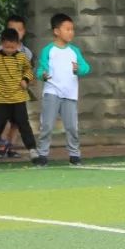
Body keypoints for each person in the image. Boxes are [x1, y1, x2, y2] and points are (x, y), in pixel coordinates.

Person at [36, 12, 91, 166]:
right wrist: (43, 75)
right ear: (56, 31)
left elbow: (86, 68)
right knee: (47, 125)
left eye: (72, 29)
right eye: (67, 29)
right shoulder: (48, 50)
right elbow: (40, 70)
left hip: (70, 94)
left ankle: (74, 154)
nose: (71, 32)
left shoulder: (74, 51)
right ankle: (42, 154)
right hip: (52, 92)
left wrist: (78, 69)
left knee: (72, 126)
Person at [0, 28, 43, 165]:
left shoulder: (22, 57)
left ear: (17, 44)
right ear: (2, 43)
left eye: (12, 47)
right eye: (6, 47)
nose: (9, 49)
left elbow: (29, 70)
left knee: (24, 125)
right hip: (1, 100)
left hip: (18, 99)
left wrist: (25, 80)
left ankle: (33, 150)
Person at [0, 14, 33, 157]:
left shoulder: (27, 52)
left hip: (19, 92)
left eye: (19, 30)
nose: (16, 33)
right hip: (4, 92)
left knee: (17, 121)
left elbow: (28, 71)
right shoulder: (0, 50)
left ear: (23, 32)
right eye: (12, 29)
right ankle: (1, 143)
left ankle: (11, 146)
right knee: (4, 120)